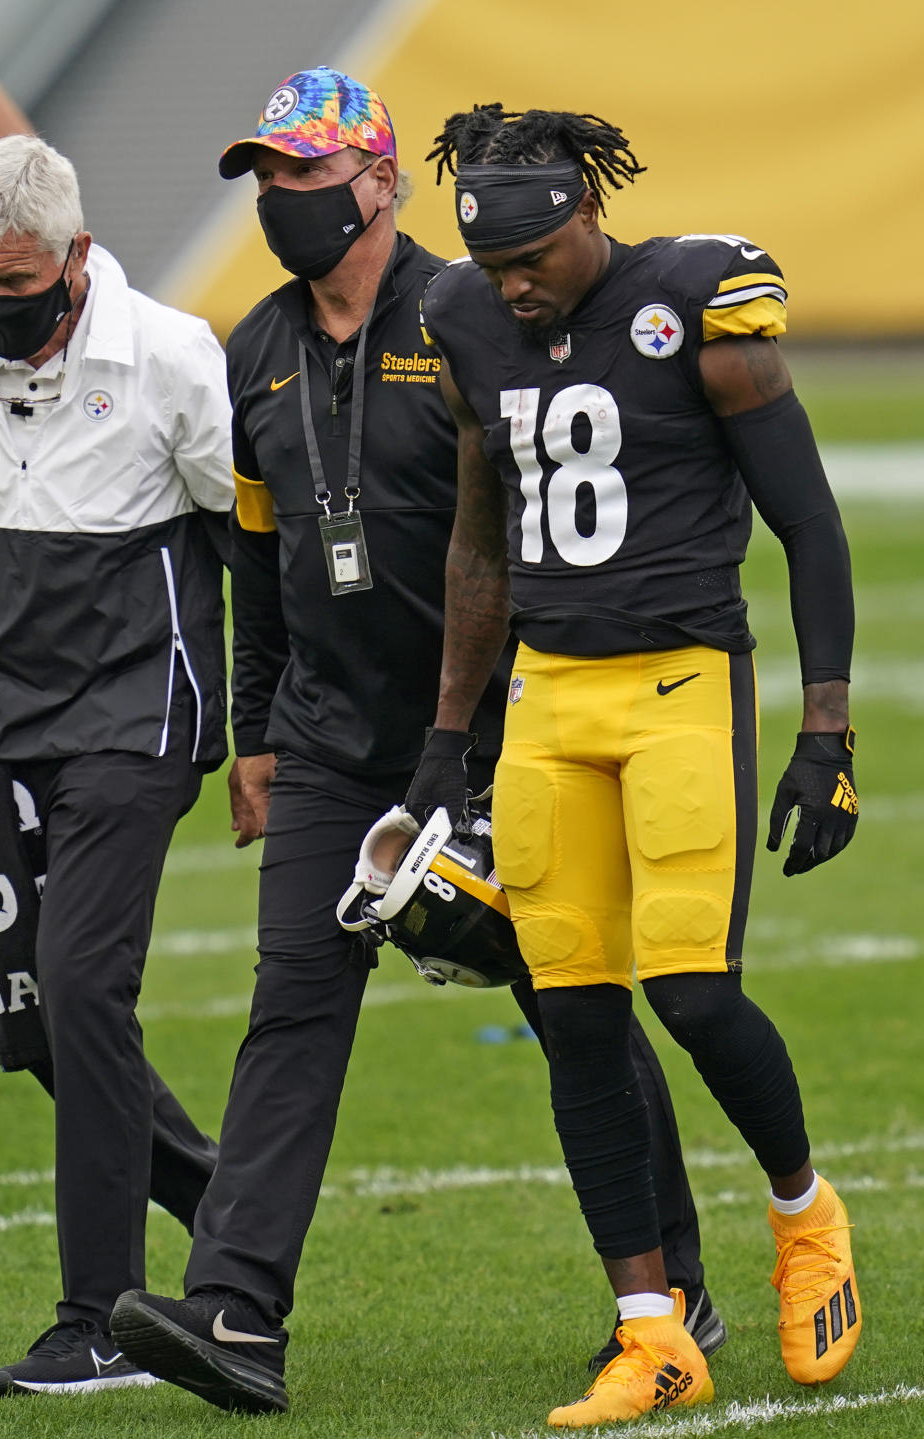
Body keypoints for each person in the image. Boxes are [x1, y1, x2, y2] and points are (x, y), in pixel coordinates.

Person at [110, 67, 722, 1416]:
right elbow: (257, 564)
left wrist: (533, 721)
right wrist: (260, 733)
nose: (283, 202)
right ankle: (235, 1313)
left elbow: (537, 517)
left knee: (571, 1008)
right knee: (293, 1009)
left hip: (505, 730)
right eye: (266, 181)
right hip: (333, 741)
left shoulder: (471, 309)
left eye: (307, 178)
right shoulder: (253, 347)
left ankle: (671, 1286)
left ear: (381, 182)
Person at [402, 103, 862, 1425]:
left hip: (679, 680)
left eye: (536, 253)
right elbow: (478, 547)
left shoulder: (697, 299)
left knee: (696, 992)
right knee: (579, 1012)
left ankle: (803, 1214)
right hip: (550, 694)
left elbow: (808, 524)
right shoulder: (466, 317)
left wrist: (825, 731)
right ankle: (654, 1327)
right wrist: (447, 740)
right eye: (497, 264)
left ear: (588, 215)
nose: (517, 280)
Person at [0, 134, 234, 1396]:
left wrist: (274, 729)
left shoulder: (173, 355)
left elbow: (246, 542)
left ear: (76, 258)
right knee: (29, 1028)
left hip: (135, 716)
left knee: (81, 986)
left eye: (17, 286)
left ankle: (100, 1323)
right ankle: (230, 1209)